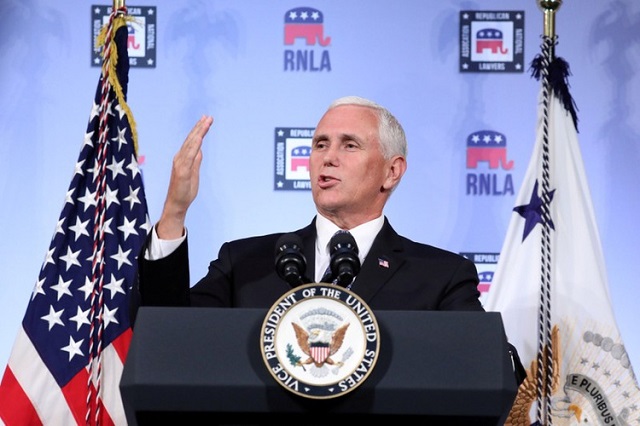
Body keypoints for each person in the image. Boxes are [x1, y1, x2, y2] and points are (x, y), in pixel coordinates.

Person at [132, 95, 524, 381]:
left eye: (348, 145)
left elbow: (486, 372)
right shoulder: (246, 262)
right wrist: (174, 213)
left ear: (392, 171)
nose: (327, 157)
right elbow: (166, 335)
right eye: (320, 144)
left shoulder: (441, 275)